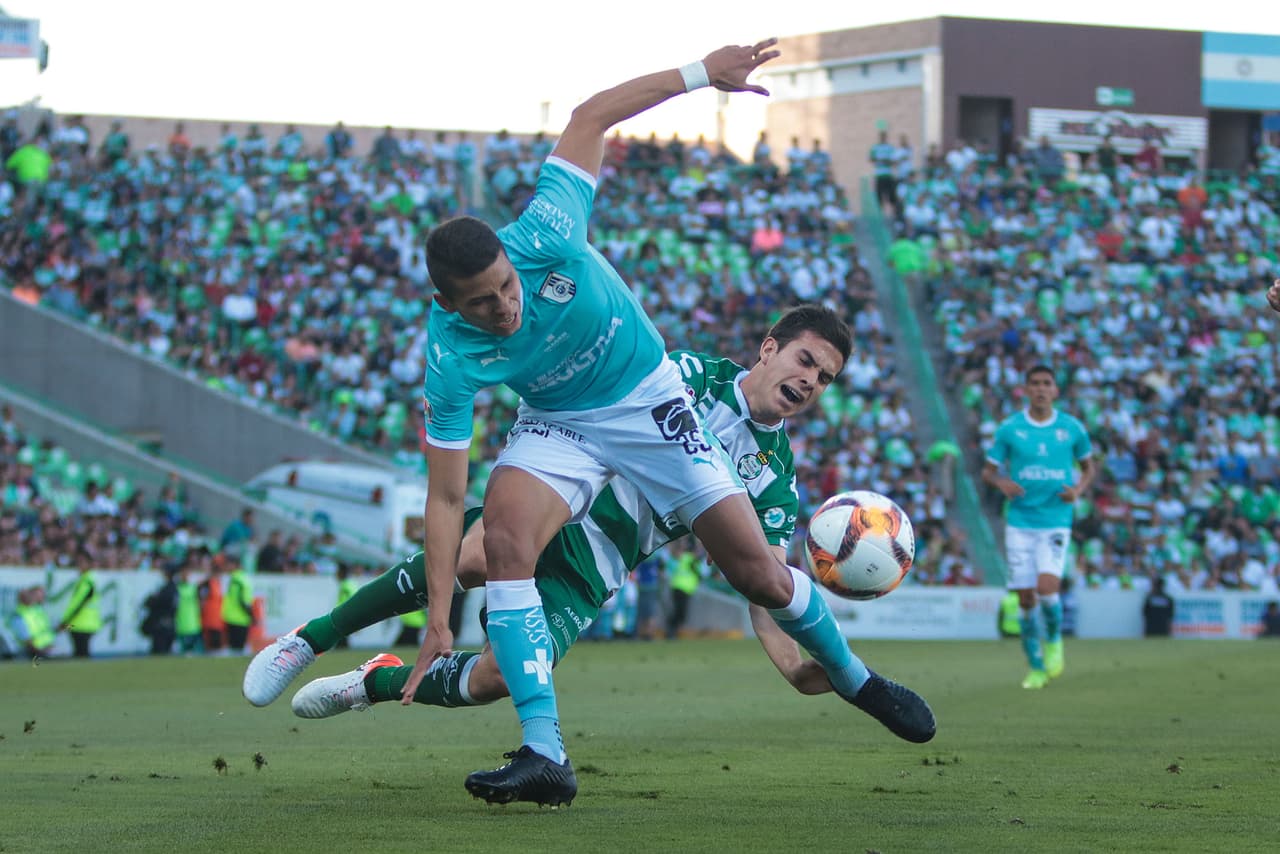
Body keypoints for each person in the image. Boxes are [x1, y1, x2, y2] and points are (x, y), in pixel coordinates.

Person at [245, 310, 936, 798]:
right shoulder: (687, 374)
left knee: (489, 682)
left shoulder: (774, 480)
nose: (812, 379)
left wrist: (791, 664)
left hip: (595, 569)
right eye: (806, 359)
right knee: (474, 557)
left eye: (826, 377)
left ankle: (374, 681)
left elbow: (764, 581)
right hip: (564, 502)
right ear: (768, 349)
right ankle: (310, 638)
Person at [982, 364, 1096, 689]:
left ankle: (1055, 642)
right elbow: (987, 472)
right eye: (1035, 383)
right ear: (1026, 389)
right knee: (1026, 598)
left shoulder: (1071, 428)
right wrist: (1001, 482)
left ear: (1055, 390)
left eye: (1047, 383)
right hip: (1019, 521)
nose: (1041, 389)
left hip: (1055, 520)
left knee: (1047, 589)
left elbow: (1089, 468)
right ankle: (1035, 666)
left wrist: (1078, 490)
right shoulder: (1010, 429)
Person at [58, 550, 102, 658]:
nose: (79, 565)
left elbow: (78, 604)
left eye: (82, 562)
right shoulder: (87, 580)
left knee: (81, 653)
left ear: (89, 564)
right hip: (82, 623)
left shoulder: (86, 581)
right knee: (81, 652)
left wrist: (65, 621)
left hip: (79, 623)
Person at [141, 570, 180, 655]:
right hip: (170, 624)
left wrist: (150, 600)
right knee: (166, 650)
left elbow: (153, 603)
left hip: (161, 625)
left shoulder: (166, 590)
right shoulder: (175, 589)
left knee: (159, 650)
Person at [221, 558, 256, 655]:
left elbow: (243, 601)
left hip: (237, 618)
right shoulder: (241, 579)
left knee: (235, 648)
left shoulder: (237, 580)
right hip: (240, 618)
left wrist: (251, 615)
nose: (227, 567)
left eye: (229, 564)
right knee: (238, 648)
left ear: (235, 565)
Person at [10, 586, 55, 658]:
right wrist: (38, 651)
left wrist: (50, 644)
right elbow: (25, 637)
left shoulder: (37, 610)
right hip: (32, 652)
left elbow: (46, 630)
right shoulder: (19, 614)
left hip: (46, 649)